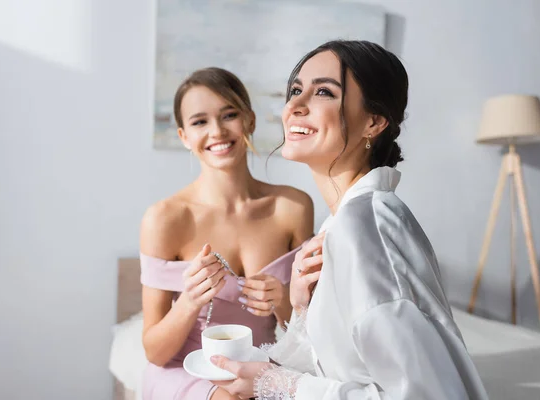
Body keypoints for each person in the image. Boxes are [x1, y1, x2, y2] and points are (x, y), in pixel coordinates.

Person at [209, 40, 489, 399]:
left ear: (374, 121)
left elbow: (426, 393)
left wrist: (277, 384)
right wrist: (302, 308)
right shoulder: (342, 223)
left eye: (323, 92)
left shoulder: (365, 226)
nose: (294, 105)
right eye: (295, 90)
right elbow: (341, 362)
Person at [139, 67, 314, 400]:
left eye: (228, 115)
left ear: (249, 120)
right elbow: (155, 353)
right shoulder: (165, 219)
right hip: (184, 371)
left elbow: (308, 332)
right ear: (183, 136)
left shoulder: (293, 207)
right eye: (199, 122)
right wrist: (189, 302)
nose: (217, 131)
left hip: (261, 364)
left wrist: (282, 304)